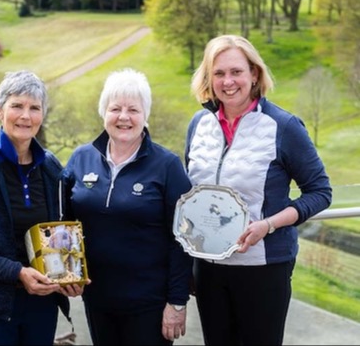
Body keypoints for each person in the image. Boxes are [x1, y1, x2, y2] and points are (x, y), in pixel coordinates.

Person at [185, 35, 332, 345]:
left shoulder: (284, 126)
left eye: (236, 71)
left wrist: (269, 224)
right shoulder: (199, 124)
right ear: (208, 78)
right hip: (208, 269)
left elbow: (320, 192)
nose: (228, 81)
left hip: (263, 267)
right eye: (219, 73)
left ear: (254, 74)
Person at [0, 70, 84, 345]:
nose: (25, 116)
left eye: (34, 108)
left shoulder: (52, 169)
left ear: (42, 115)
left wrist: (70, 274)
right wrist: (17, 272)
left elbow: (61, 233)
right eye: (17, 105)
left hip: (40, 307)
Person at [63, 68, 193, 345]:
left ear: (145, 115)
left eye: (133, 109)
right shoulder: (80, 158)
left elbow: (182, 240)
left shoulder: (167, 166)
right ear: (103, 113)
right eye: (116, 108)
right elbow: (64, 225)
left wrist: (177, 302)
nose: (124, 117)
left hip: (150, 304)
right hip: (97, 299)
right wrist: (67, 274)